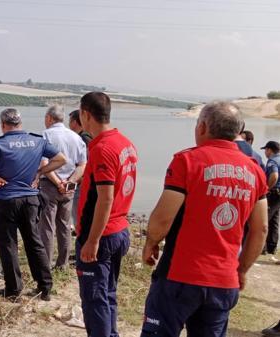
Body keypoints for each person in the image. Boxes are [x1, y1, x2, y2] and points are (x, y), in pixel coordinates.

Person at [139, 102, 268, 337]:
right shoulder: (255, 171)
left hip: (180, 276)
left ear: (203, 127)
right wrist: (242, 270)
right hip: (223, 281)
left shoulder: (188, 161)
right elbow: (261, 229)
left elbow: (164, 216)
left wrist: (151, 243)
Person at [0, 108, 67, 301]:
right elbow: (61, 159)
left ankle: (14, 290)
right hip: (31, 200)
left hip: (6, 201)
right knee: (35, 243)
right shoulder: (37, 141)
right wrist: (41, 172)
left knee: (8, 245)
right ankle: (45, 288)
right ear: (20, 123)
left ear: (2, 125)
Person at [75, 92, 137, 337]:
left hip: (102, 234)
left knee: (94, 299)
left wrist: (92, 240)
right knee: (107, 293)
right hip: (119, 229)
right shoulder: (125, 143)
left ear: (86, 114)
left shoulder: (102, 147)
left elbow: (106, 196)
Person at [39, 105, 87, 270]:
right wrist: (69, 182)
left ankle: (45, 264)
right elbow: (82, 165)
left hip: (49, 185)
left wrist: (57, 182)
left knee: (47, 226)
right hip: (70, 186)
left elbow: (44, 163)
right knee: (65, 225)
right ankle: (63, 263)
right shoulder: (76, 137)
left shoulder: (46, 135)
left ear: (49, 118)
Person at [69, 109, 92, 232]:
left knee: (78, 213)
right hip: (81, 179)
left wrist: (80, 179)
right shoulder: (84, 136)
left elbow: (87, 160)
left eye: (70, 120)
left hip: (81, 181)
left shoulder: (83, 138)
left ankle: (82, 244)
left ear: (74, 122)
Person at [262, 141, 280, 259]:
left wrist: (267, 189)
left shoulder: (272, 161)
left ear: (270, 150)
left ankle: (261, 248)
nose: (265, 152)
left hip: (274, 193)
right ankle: (272, 247)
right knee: (274, 220)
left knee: (264, 220)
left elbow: (274, 175)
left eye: (266, 150)